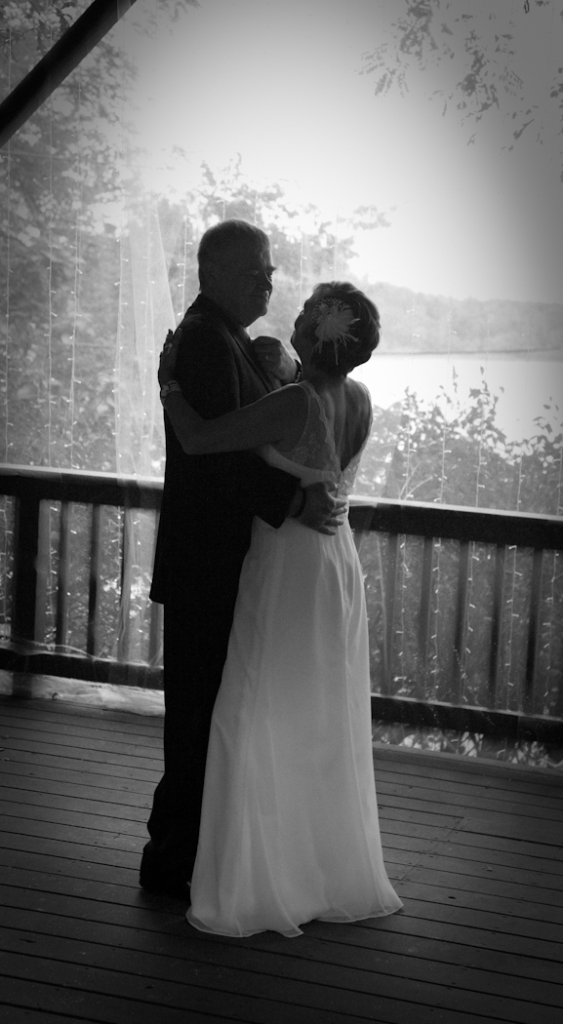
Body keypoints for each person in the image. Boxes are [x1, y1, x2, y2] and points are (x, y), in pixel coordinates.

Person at [158, 280, 403, 937]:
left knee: (251, 708)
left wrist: (169, 385)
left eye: (303, 311)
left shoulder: (293, 402)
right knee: (316, 713)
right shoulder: (357, 398)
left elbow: (200, 440)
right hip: (335, 560)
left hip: (287, 564)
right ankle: (316, 870)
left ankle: (258, 880)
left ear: (314, 330)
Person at [141, 220, 344, 897]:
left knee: (212, 714)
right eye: (256, 270)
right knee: (197, 718)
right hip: (207, 561)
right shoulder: (204, 339)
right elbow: (215, 461)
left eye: (271, 270)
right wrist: (294, 499)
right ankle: (173, 861)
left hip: (223, 558)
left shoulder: (226, 337)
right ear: (216, 272)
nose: (268, 281)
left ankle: (194, 855)